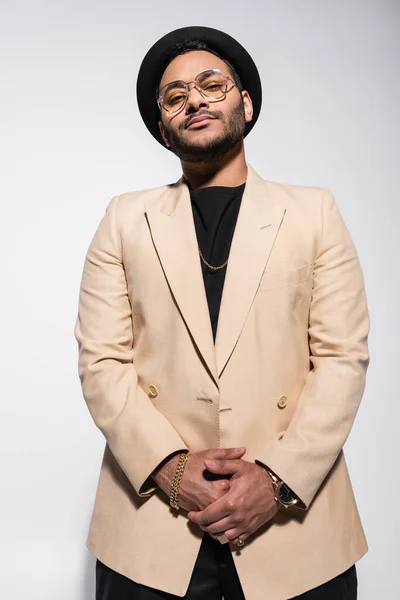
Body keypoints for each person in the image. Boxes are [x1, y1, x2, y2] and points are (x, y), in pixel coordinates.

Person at [74, 26, 370, 600]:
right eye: (175, 96)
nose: (196, 100)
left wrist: (278, 479)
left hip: (295, 530)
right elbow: (101, 360)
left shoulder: (314, 212)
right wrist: (172, 470)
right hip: (152, 531)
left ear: (246, 102)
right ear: (164, 126)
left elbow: (342, 359)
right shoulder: (123, 219)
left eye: (213, 84)